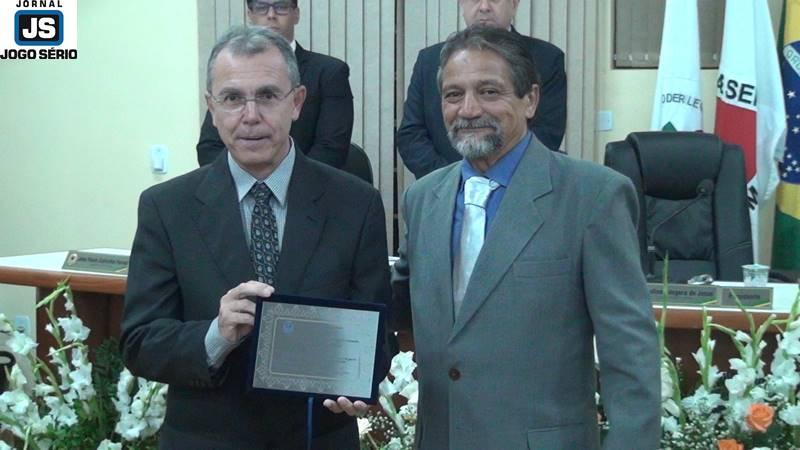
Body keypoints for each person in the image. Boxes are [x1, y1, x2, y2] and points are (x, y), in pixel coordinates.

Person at [121, 26, 390, 449]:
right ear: (212, 108)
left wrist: (359, 381)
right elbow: (141, 342)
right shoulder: (167, 207)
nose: (250, 116)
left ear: (296, 102)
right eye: (232, 98)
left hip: (315, 437)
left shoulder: (356, 204)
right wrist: (216, 335)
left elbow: (378, 336)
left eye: (267, 96)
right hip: (207, 439)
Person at [391, 26, 659, 448]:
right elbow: (394, 305)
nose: (468, 109)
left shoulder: (593, 195)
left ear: (530, 100)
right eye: (453, 95)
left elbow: (630, 352)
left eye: (489, 91)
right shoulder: (423, 198)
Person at [396, 0, 567, 179]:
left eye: (490, 92)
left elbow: (547, 133)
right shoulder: (430, 59)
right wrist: (455, 181)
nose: (484, 7)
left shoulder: (546, 58)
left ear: (514, 4)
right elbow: (411, 135)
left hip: (521, 185)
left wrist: (498, 179)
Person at [196, 0, 354, 170]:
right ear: (250, 14)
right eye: (261, 7)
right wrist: (247, 180)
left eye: (281, 7)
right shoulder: (226, 70)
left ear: (296, 14)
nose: (271, 15)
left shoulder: (329, 72)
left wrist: (279, 181)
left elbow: (331, 148)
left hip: (307, 182)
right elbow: (209, 148)